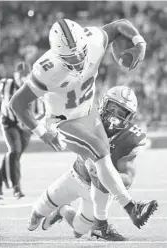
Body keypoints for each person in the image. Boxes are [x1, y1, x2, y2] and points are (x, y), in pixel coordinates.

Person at [10, 18, 157, 228]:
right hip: (61, 121)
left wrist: (139, 42)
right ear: (57, 54)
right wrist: (42, 132)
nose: (78, 60)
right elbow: (18, 103)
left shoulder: (94, 41)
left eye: (81, 53)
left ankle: (99, 223)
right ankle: (131, 208)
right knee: (99, 150)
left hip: (88, 111)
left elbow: (118, 26)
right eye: (71, 58)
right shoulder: (47, 69)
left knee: (101, 160)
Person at [27, 86, 157, 241]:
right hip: (75, 176)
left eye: (122, 113)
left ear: (129, 117)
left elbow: (127, 178)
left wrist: (105, 175)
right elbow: (60, 119)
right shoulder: (88, 116)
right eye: (113, 108)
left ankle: (63, 211)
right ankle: (48, 211)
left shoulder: (129, 138)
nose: (115, 115)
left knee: (78, 231)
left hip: (98, 191)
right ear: (104, 103)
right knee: (35, 217)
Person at [0, 62, 45, 199]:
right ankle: (16, 188)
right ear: (14, 75)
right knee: (14, 151)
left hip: (26, 126)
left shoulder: (35, 88)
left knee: (14, 156)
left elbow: (41, 111)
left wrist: (29, 122)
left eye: (25, 75)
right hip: (8, 122)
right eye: (20, 75)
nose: (22, 78)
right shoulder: (5, 83)